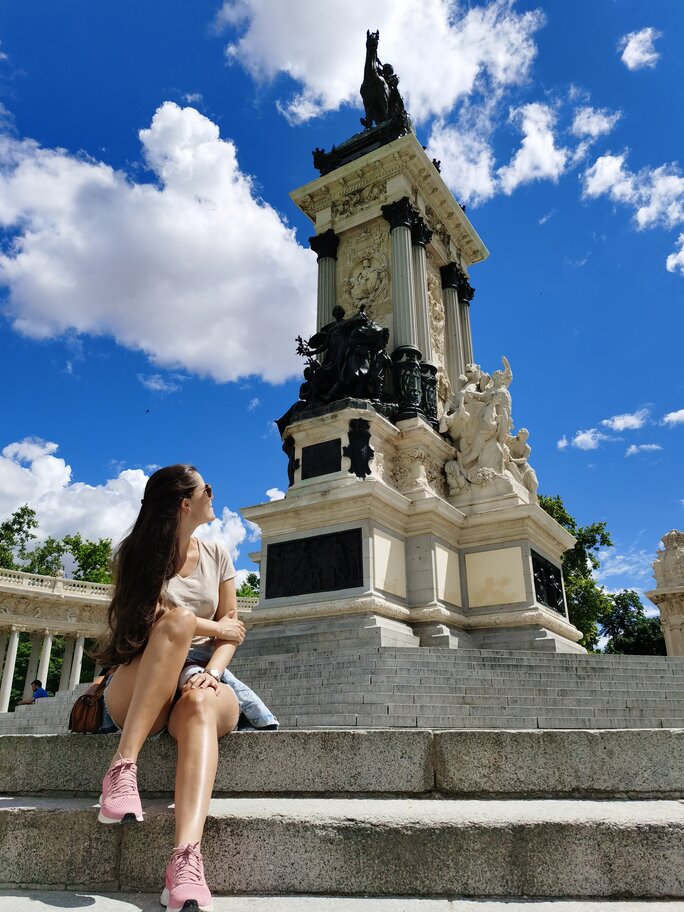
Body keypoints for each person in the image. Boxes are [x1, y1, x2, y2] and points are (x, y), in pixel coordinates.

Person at [95, 464, 247, 912]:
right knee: (176, 621)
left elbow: (232, 628)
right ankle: (122, 768)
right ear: (186, 502)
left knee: (201, 703)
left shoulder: (218, 553)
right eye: (208, 490)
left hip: (201, 672)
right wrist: (208, 627)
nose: (213, 496)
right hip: (145, 677)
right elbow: (159, 622)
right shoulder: (138, 554)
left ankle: (186, 860)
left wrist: (214, 672)